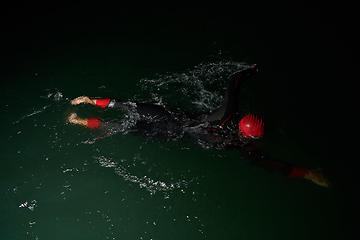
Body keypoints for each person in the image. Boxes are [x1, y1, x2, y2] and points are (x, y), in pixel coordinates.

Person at [68, 65, 329, 187]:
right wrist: (306, 173)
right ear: (245, 134)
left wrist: (251, 71)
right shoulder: (240, 144)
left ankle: (85, 110)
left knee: (129, 114)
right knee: (126, 121)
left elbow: (234, 84)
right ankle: (85, 110)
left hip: (175, 122)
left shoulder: (228, 116)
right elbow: (270, 164)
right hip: (175, 129)